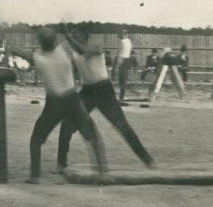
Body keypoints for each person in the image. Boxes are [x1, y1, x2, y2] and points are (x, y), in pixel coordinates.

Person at [8, 28, 109, 184]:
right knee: (93, 136)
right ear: (55, 41)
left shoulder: (38, 56)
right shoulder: (64, 50)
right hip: (72, 100)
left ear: (40, 41)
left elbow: (24, 54)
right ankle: (103, 172)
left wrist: (12, 48)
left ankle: (35, 176)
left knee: (36, 140)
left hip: (54, 103)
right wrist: (68, 34)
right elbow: (78, 47)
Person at [56, 27, 155, 175]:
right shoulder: (75, 52)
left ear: (84, 37)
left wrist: (68, 36)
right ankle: (61, 163)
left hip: (103, 90)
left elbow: (83, 50)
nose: (72, 39)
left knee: (122, 126)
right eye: (72, 37)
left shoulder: (95, 47)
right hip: (87, 92)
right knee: (67, 123)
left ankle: (147, 159)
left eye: (76, 36)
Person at [114, 28, 133, 102]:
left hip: (122, 60)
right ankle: (121, 97)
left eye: (120, 33)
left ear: (123, 34)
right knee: (123, 81)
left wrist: (117, 65)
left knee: (122, 81)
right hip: (126, 60)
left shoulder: (122, 42)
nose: (118, 35)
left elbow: (120, 54)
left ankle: (121, 98)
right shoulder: (129, 41)